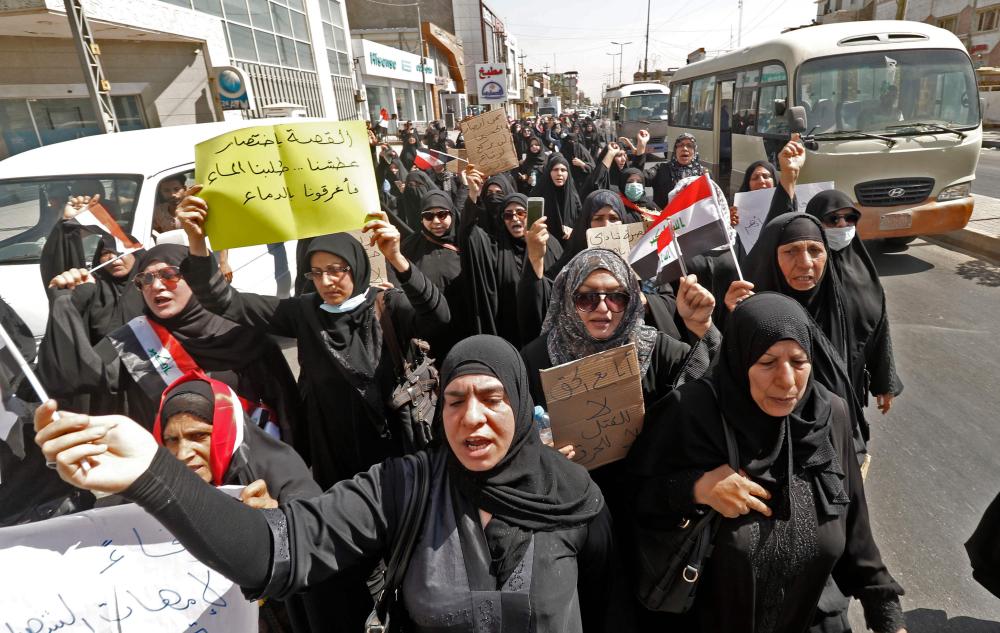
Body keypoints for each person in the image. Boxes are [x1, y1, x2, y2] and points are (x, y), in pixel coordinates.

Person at [35, 335, 624, 633]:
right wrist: (149, 473)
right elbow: (274, 550)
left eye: (492, 399)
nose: (472, 418)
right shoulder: (404, 486)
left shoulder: (575, 498)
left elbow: (602, 607)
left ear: (520, 404)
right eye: (455, 400)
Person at [629, 292, 907, 633]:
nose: (787, 381)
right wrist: (696, 488)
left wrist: (887, 617)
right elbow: (634, 499)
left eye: (799, 361)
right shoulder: (692, 414)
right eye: (767, 362)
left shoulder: (828, 414)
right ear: (740, 358)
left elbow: (856, 533)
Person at [175, 197, 450, 488]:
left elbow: (439, 316)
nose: (326, 281)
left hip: (393, 447)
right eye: (316, 273)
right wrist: (197, 240)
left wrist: (397, 259)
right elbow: (224, 301)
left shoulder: (387, 306)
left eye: (336, 270)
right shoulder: (305, 312)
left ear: (356, 267)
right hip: (333, 455)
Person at [36, 243, 299, 434]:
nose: (156, 286)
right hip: (172, 478)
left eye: (170, 275)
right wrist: (64, 302)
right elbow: (72, 378)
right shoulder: (134, 340)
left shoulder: (241, 332)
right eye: (145, 279)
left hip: (250, 471)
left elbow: (288, 413)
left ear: (195, 280)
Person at [804, 190, 902, 415]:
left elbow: (879, 328)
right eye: (832, 218)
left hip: (853, 380)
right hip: (811, 382)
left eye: (850, 218)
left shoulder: (864, 271)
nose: (842, 225)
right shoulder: (801, 269)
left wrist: (885, 383)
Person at [460, 175, 563, 348]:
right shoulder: (495, 249)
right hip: (511, 336)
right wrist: (472, 194)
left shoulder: (550, 244)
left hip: (546, 334)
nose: (515, 218)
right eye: (508, 215)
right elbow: (467, 235)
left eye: (521, 213)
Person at [400, 189, 467, 360]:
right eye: (428, 216)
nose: (436, 221)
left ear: (452, 214)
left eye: (442, 214)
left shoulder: (467, 243)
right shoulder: (408, 248)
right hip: (428, 335)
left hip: (464, 328)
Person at [639, 133, 707, 208]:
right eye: (680, 145)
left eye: (689, 146)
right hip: (666, 217)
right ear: (675, 150)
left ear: (694, 151)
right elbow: (638, 177)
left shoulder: (704, 173)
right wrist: (641, 147)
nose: (685, 148)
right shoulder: (661, 169)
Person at [529, 154, 582, 246]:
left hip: (569, 247)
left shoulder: (573, 196)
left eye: (563, 170)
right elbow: (531, 225)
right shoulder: (537, 194)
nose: (559, 173)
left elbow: (581, 221)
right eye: (555, 170)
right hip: (546, 247)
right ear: (549, 172)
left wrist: (574, 232)